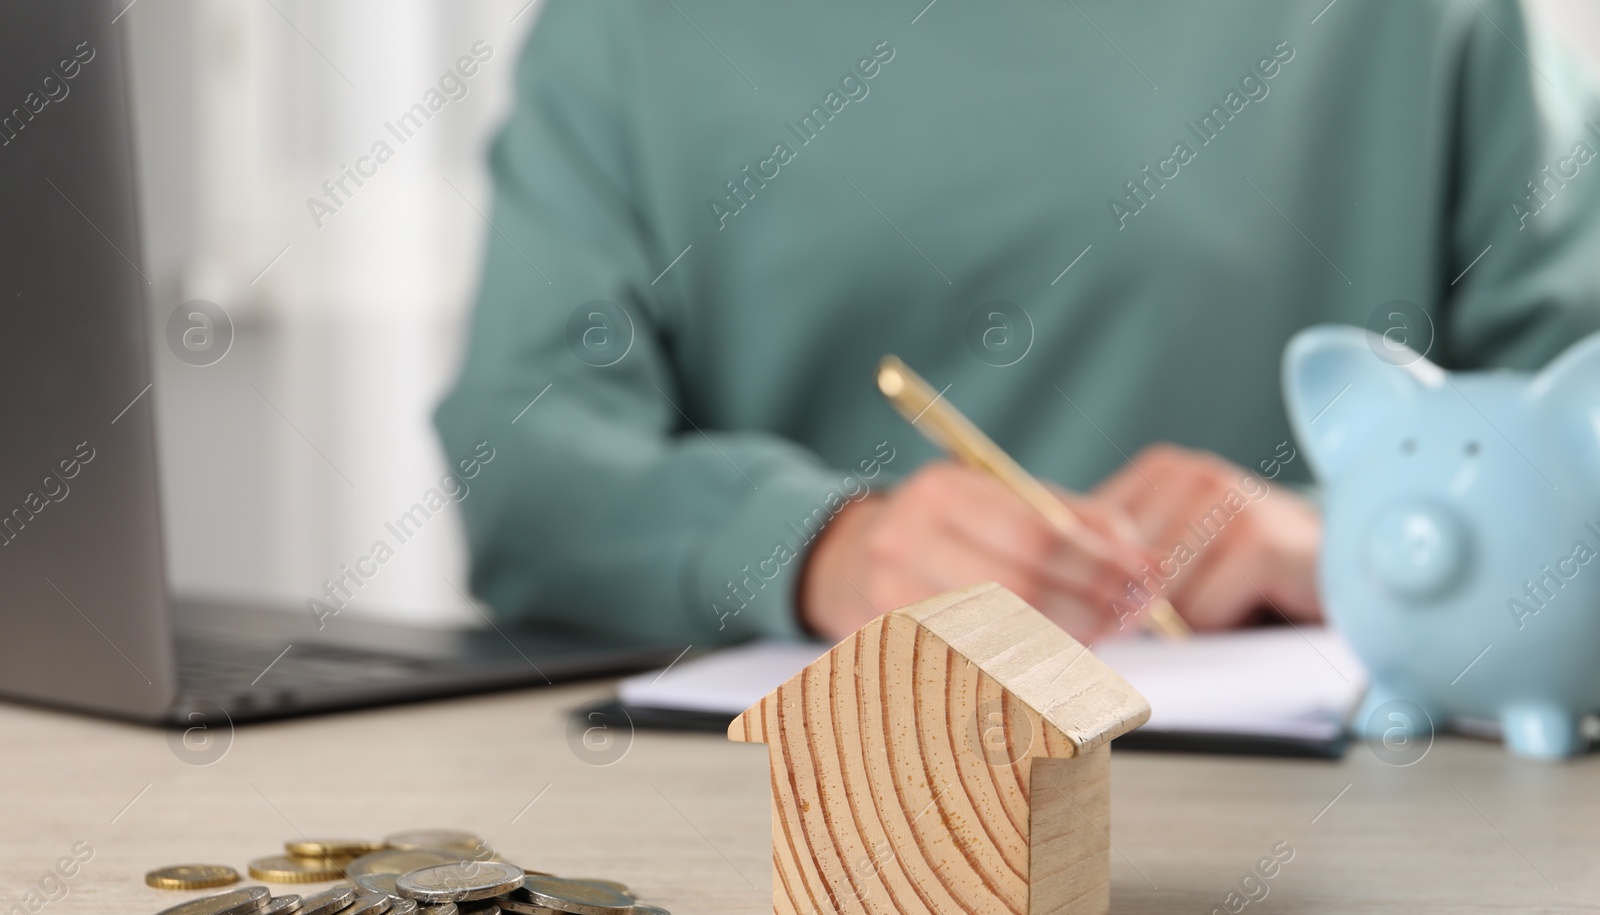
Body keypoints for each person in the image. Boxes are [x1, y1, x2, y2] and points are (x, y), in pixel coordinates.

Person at [435, 0, 1600, 646]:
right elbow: (527, 457)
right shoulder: (626, 33)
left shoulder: (1436, 27)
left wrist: (1350, 530)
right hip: (802, 825)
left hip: (1376, 834)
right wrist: (812, 547)